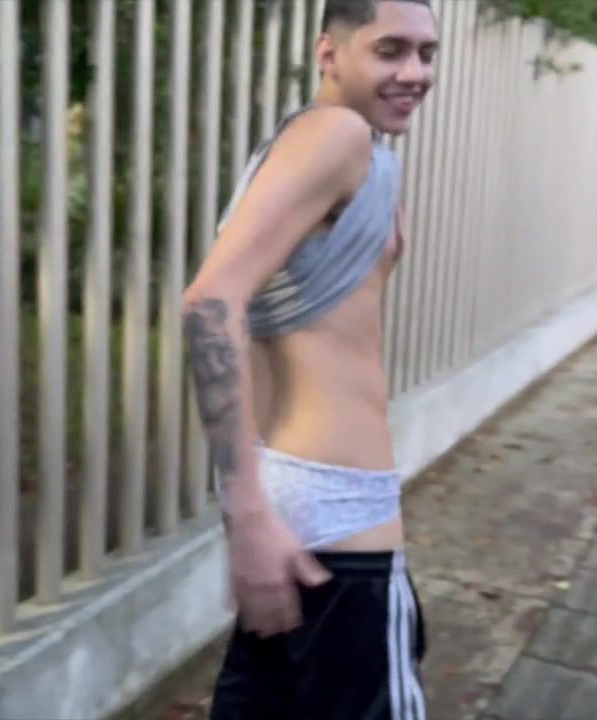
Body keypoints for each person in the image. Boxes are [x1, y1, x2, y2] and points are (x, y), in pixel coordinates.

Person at [180, 0, 439, 717]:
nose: (415, 72)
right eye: (390, 50)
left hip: (300, 501)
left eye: (426, 53)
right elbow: (210, 303)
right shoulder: (337, 135)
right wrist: (246, 514)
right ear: (329, 54)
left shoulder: (333, 148)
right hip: (344, 521)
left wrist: (255, 511)